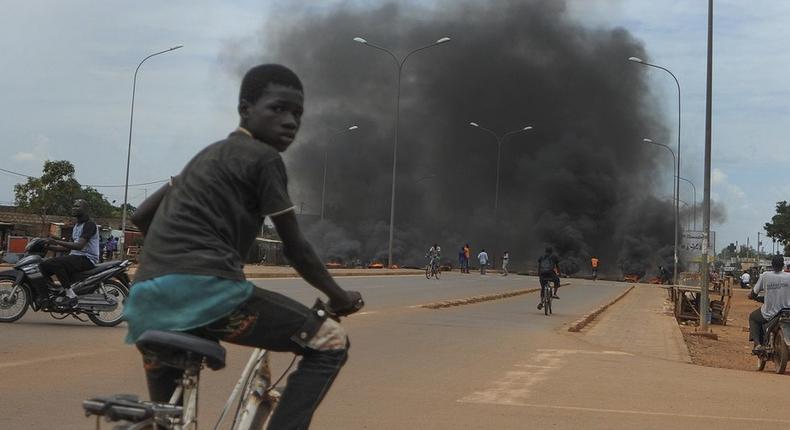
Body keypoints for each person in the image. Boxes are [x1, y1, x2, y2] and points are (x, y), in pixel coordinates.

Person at [122, 64, 363, 430]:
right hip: (208, 291)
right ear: (246, 108)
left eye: (297, 114)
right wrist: (338, 295)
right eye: (278, 108)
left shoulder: (204, 159)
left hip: (145, 300)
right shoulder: (264, 159)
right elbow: (296, 248)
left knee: (168, 422)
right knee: (330, 341)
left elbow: (141, 218)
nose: (290, 122)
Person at [40, 199, 100, 308]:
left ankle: (71, 295)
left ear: (85, 209)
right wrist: (48, 247)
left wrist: (56, 241)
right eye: (73, 206)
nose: (74, 208)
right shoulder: (77, 226)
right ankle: (54, 292)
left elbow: (79, 246)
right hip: (76, 256)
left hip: (87, 259)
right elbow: (68, 247)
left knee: (55, 262)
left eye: (77, 206)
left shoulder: (89, 225)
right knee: (44, 265)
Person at [748, 255, 790, 352]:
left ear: (772, 265)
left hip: (770, 314)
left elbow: (754, 293)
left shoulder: (765, 275)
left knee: (753, 317)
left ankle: (758, 345)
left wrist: (751, 296)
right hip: (787, 312)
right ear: (783, 265)